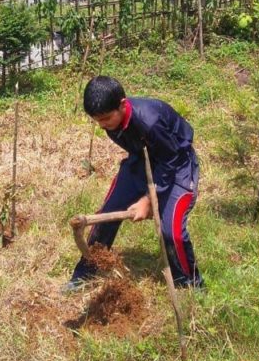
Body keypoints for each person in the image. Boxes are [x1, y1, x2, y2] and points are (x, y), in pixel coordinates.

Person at [65, 76, 203, 292]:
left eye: (106, 119)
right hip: (141, 159)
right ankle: (86, 272)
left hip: (176, 164)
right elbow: (136, 147)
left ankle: (189, 284)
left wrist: (149, 200)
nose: (102, 126)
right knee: (107, 214)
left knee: (171, 231)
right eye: (96, 120)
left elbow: (169, 161)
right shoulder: (111, 118)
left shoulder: (151, 121)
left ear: (122, 104)